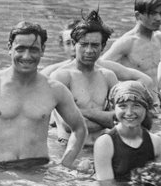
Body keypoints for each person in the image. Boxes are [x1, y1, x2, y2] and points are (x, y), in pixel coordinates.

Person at [0, 21, 86, 170]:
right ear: (9, 48)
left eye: (33, 49)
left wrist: (66, 164)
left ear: (43, 50)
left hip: (38, 169)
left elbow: (80, 128)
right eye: (20, 49)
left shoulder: (55, 90)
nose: (26, 56)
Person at [50, 12, 121, 143]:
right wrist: (105, 118)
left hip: (101, 147)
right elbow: (68, 126)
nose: (89, 50)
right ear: (74, 44)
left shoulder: (108, 76)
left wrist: (80, 112)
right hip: (68, 149)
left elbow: (118, 119)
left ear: (103, 47)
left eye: (94, 45)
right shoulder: (62, 76)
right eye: (83, 44)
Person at [100, 0, 161, 105]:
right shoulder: (127, 42)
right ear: (138, 15)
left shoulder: (160, 39)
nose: (158, 18)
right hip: (134, 104)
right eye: (152, 14)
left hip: (154, 102)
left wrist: (158, 86)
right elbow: (100, 66)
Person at [93, 81, 161, 182]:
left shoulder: (156, 142)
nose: (129, 112)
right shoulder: (105, 143)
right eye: (123, 106)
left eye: (136, 106)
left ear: (146, 109)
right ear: (113, 108)